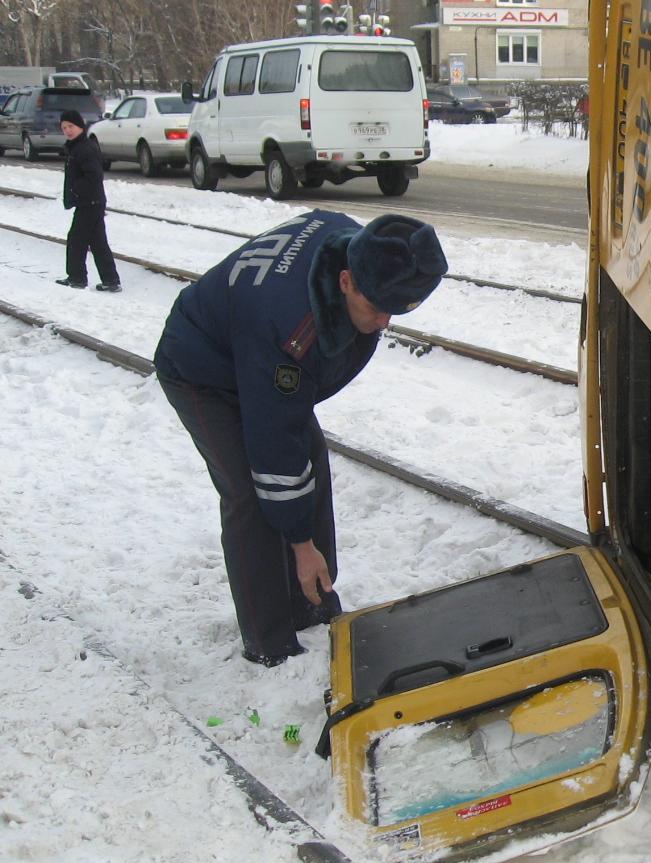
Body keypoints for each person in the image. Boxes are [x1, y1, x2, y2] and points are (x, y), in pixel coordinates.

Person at [154, 210, 447, 666]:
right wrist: (300, 542)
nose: (386, 323)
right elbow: (274, 446)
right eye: (377, 309)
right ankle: (269, 642)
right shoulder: (291, 330)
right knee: (252, 494)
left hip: (255, 358)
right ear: (346, 281)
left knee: (310, 461)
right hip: (202, 371)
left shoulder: (360, 246)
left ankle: (313, 602)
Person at [55, 109, 120, 292]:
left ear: (80, 126)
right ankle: (111, 280)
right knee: (98, 242)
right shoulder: (77, 146)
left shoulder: (85, 148)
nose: (68, 130)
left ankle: (77, 278)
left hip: (89, 202)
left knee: (76, 240)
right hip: (91, 202)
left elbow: (94, 175)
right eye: (64, 127)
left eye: (71, 126)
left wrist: (75, 189)